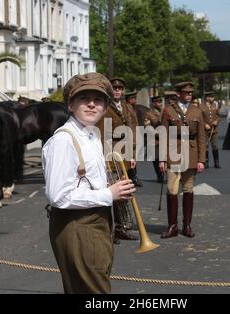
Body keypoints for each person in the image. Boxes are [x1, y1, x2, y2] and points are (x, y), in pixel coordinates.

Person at [42, 73, 136, 294]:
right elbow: (59, 196)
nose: (92, 104)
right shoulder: (64, 140)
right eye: (84, 98)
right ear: (71, 104)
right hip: (77, 224)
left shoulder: (91, 135)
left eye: (99, 99)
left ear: (105, 107)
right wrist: (108, 194)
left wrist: (116, 189)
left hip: (95, 221)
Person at [159, 82, 207, 239]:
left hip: (191, 154)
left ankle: (187, 225)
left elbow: (201, 137)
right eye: (186, 93)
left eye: (191, 93)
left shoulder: (197, 111)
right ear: (178, 94)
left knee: (188, 189)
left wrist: (201, 159)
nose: (189, 95)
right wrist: (162, 158)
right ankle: (172, 226)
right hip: (173, 153)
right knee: (172, 190)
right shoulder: (168, 110)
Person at [97, 77, 139, 243]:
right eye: (114, 88)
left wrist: (133, 153)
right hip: (110, 154)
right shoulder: (105, 108)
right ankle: (109, 229)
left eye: (120, 88)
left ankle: (122, 227)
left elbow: (134, 130)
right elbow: (100, 132)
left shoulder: (128, 108)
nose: (117, 91)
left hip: (125, 154)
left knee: (124, 191)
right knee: (112, 192)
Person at [125, 90, 144, 187]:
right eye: (132, 98)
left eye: (134, 98)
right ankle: (132, 177)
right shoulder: (127, 108)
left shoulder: (134, 108)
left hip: (135, 136)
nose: (134, 100)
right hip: (130, 137)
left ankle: (133, 177)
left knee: (133, 158)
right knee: (130, 158)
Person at [198, 91, 222, 168]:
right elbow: (199, 118)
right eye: (211, 97)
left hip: (214, 130)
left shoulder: (215, 105)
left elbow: (219, 116)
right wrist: (205, 124)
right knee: (206, 146)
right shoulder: (201, 107)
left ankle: (216, 162)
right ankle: (206, 162)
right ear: (207, 98)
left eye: (213, 97)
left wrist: (216, 121)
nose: (213, 98)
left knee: (215, 146)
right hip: (204, 130)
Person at [145, 95, 164, 183]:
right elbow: (147, 127)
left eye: (160, 101)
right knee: (156, 159)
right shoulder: (149, 114)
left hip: (165, 138)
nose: (159, 103)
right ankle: (159, 174)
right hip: (155, 140)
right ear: (153, 103)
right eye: (157, 102)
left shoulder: (165, 112)